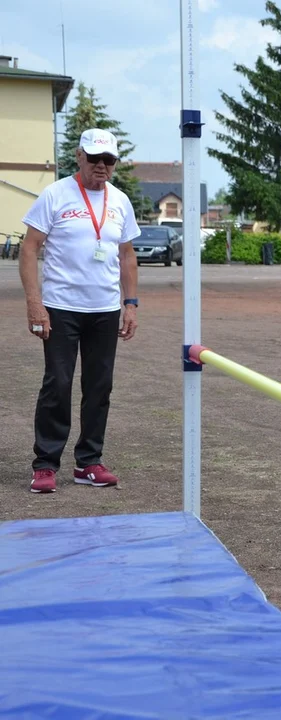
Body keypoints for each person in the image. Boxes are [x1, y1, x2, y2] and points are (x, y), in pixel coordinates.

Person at [20, 128, 140, 494]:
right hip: (60, 308)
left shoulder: (119, 201)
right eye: (95, 159)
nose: (102, 166)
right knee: (58, 383)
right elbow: (29, 249)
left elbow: (127, 255)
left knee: (99, 386)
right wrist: (34, 303)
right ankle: (45, 465)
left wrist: (130, 304)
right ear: (79, 156)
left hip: (103, 309)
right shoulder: (55, 194)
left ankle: (88, 462)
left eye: (109, 160)